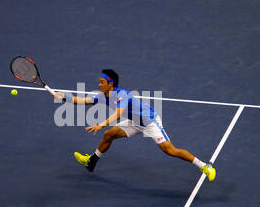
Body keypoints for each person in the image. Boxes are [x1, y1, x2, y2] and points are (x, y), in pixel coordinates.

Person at [53, 69, 216, 181]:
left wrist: (100, 124)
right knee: (108, 135)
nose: (99, 84)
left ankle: (204, 166)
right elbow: (82, 101)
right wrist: (64, 97)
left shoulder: (122, 95)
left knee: (169, 150)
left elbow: (117, 114)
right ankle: (91, 161)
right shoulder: (102, 95)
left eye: (102, 82)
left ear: (111, 84)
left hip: (149, 122)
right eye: (99, 82)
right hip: (134, 121)